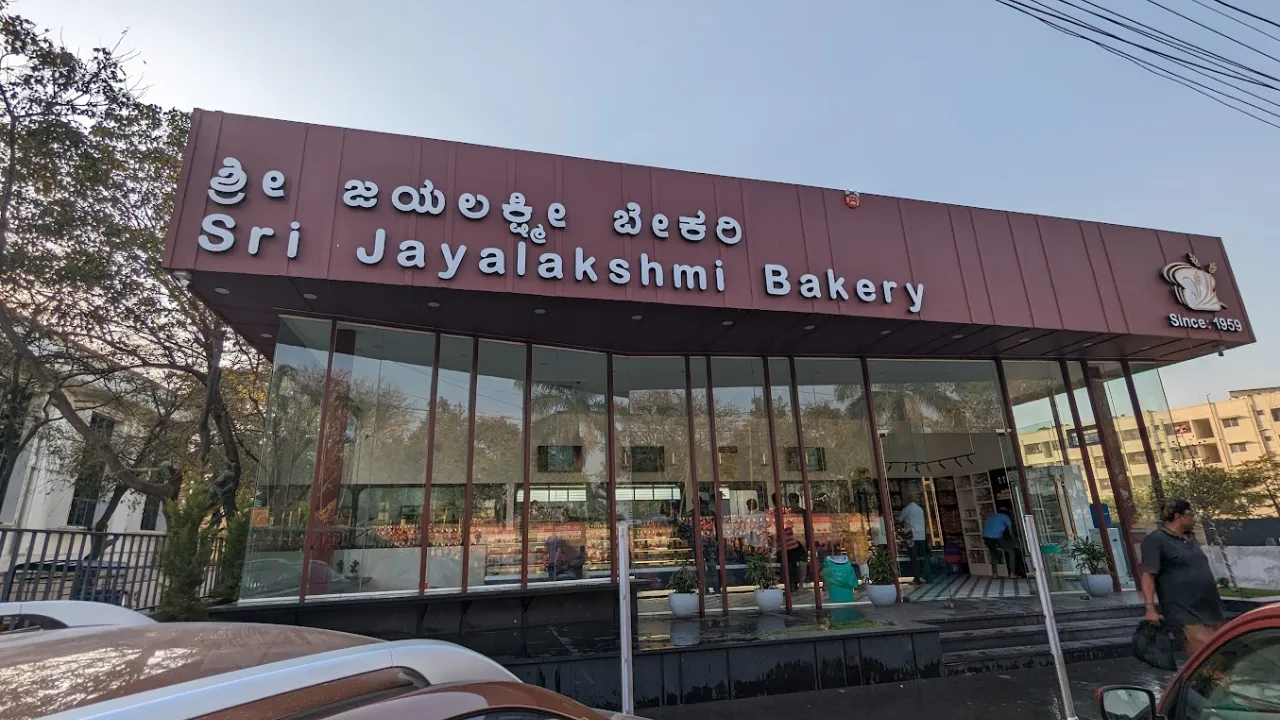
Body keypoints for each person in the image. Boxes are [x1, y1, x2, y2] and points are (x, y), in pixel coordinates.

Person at [1140, 498, 1225, 656]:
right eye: (1190, 515)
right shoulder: (1157, 539)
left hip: (1210, 609)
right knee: (1205, 658)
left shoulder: (1191, 539)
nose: (1193, 518)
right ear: (1178, 516)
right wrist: (1150, 609)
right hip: (1184, 611)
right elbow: (1148, 575)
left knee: (1221, 655)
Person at [982, 507, 1026, 579]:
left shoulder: (992, 516)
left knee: (993, 554)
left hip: (986, 537)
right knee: (1011, 552)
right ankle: (1012, 573)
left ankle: (994, 574)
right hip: (997, 537)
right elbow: (1011, 532)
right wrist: (1015, 544)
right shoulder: (1006, 517)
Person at [898, 490, 927, 584]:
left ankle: (917, 577)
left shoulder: (907, 509)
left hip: (911, 535)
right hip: (921, 535)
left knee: (914, 557)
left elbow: (899, 519)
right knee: (922, 556)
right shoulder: (920, 509)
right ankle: (926, 575)